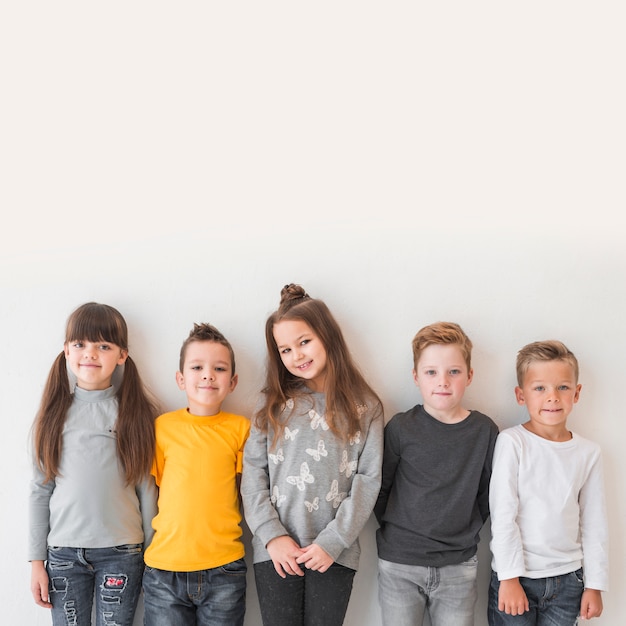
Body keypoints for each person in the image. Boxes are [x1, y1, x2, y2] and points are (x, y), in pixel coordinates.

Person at [241, 283, 384, 626]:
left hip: (335, 552)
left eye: (304, 342)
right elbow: (252, 474)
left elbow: (368, 481)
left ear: (328, 336)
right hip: (275, 551)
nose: (297, 356)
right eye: (285, 349)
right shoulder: (270, 404)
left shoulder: (366, 406)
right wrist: (272, 536)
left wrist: (332, 542)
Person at [28, 302, 160, 626]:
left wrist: (152, 557)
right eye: (80, 344)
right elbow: (39, 490)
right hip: (63, 556)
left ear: (122, 355)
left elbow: (148, 489)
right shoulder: (52, 416)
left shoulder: (134, 414)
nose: (90, 353)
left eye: (103, 345)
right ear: (66, 352)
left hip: (123, 553)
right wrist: (36, 561)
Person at [374, 321, 499, 626]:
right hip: (399, 563)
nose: (442, 381)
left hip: (459, 565)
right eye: (431, 372)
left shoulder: (484, 431)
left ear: (469, 376)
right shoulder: (401, 428)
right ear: (416, 377)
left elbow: (488, 494)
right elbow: (381, 489)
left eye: (453, 371)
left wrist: (462, 530)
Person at [488, 340, 609, 625]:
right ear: (521, 395)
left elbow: (594, 523)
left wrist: (595, 585)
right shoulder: (512, 442)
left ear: (576, 393)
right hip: (518, 578)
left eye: (562, 387)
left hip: (568, 582)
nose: (552, 397)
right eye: (540, 388)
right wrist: (508, 578)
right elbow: (503, 515)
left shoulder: (588, 453)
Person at [142, 323, 250, 626]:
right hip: (164, 570)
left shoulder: (241, 429)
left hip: (224, 569)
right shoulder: (162, 428)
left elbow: (247, 492)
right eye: (197, 367)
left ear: (233, 381)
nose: (208, 375)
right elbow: (154, 490)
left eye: (219, 368)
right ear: (180, 379)